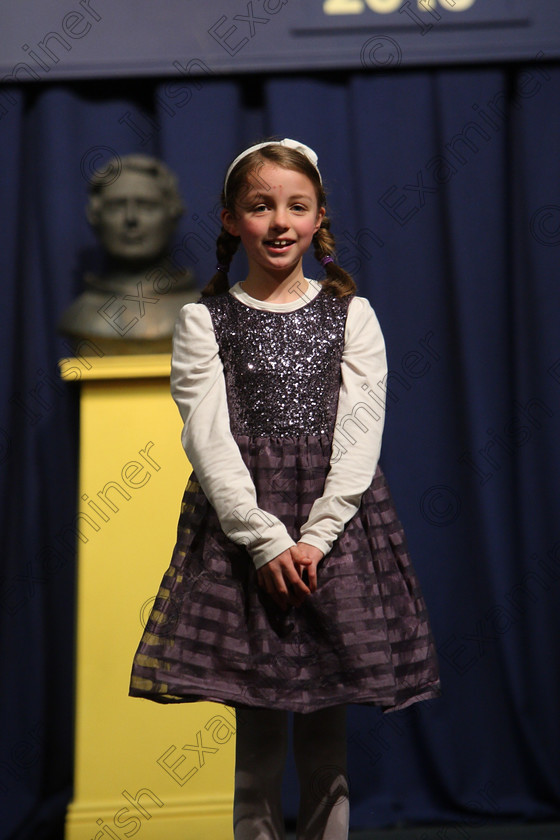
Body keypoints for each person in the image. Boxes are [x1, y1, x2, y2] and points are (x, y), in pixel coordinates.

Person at [129, 138, 440, 839]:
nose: (279, 222)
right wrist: (268, 540)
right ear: (232, 219)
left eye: (296, 207)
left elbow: (361, 435)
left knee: (327, 751)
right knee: (258, 751)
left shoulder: (351, 314)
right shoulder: (204, 321)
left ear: (318, 217)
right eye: (261, 206)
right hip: (245, 540)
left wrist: (316, 537)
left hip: (336, 538)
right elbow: (208, 439)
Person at [58, 154, 198, 354]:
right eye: (116, 206)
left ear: (173, 214)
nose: (131, 219)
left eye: (147, 206)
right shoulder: (80, 315)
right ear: (95, 218)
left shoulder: (201, 313)